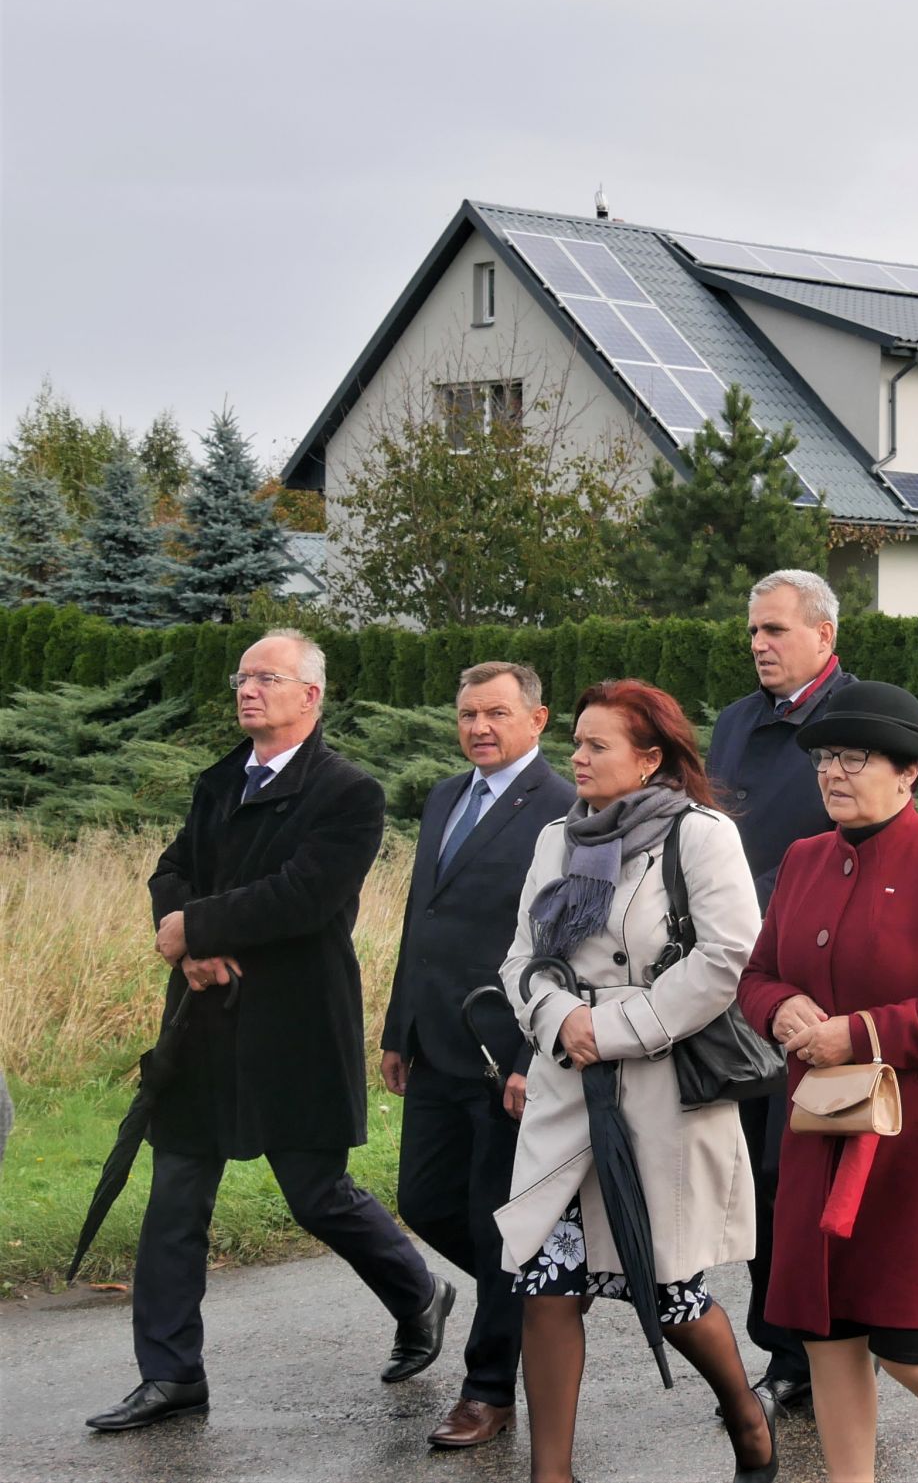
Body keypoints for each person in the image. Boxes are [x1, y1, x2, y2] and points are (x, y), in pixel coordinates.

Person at [90, 629, 452, 1433]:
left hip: (293, 1024)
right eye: (242, 676)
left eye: (267, 677)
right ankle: (171, 1372)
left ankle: (419, 1292)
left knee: (315, 1193)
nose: (248, 689)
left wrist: (197, 930)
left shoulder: (349, 793)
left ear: (310, 696)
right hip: (203, 1022)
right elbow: (172, 869)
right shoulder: (218, 781)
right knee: (176, 1197)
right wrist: (186, 937)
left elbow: (305, 896)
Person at [736, 681, 918, 1483]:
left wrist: (858, 1032)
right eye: (825, 756)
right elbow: (756, 974)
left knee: (911, 1338)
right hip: (823, 1129)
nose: (832, 771)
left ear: (907, 774)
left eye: (853, 756)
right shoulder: (803, 859)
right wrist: (783, 1005)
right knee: (827, 1327)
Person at [496, 680, 772, 1483]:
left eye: (596, 744)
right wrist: (556, 1019)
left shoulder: (701, 835)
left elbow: (726, 959)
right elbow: (519, 957)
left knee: (671, 1291)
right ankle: (553, 1474)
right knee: (546, 1282)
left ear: (650, 758)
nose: (575, 757)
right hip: (565, 1090)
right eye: (574, 742)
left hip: (655, 1089)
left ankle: (745, 1414)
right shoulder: (556, 838)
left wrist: (611, 1028)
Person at [379, 661, 575, 1449]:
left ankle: (488, 1390)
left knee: (499, 1224)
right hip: (434, 1041)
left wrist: (536, 1052)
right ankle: (536, 1292)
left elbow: (563, 943)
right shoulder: (445, 795)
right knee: (425, 1201)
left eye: (496, 712)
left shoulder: (561, 809)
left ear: (538, 718)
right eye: (466, 713)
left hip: (507, 1055)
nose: (479, 727)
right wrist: (398, 1026)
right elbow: (419, 922)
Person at [706, 567, 856, 1419]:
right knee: (759, 1175)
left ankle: (833, 1337)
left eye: (775, 630)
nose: (759, 643)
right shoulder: (734, 722)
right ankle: (786, 1347)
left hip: (825, 984)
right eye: (754, 631)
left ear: (823, 637)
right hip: (740, 981)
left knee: (808, 1163)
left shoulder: (860, 717)